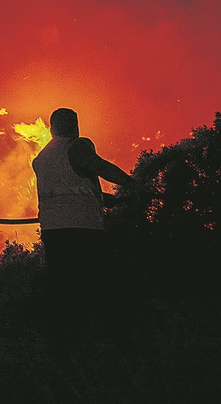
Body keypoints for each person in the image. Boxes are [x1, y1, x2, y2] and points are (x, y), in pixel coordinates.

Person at [32, 107, 150, 343]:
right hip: (83, 228)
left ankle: (62, 339)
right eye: (71, 122)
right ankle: (99, 338)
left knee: (64, 285)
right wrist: (135, 186)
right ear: (64, 126)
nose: (73, 126)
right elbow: (100, 167)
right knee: (94, 282)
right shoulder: (77, 146)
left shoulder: (41, 158)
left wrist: (105, 199)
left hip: (53, 230)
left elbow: (70, 188)